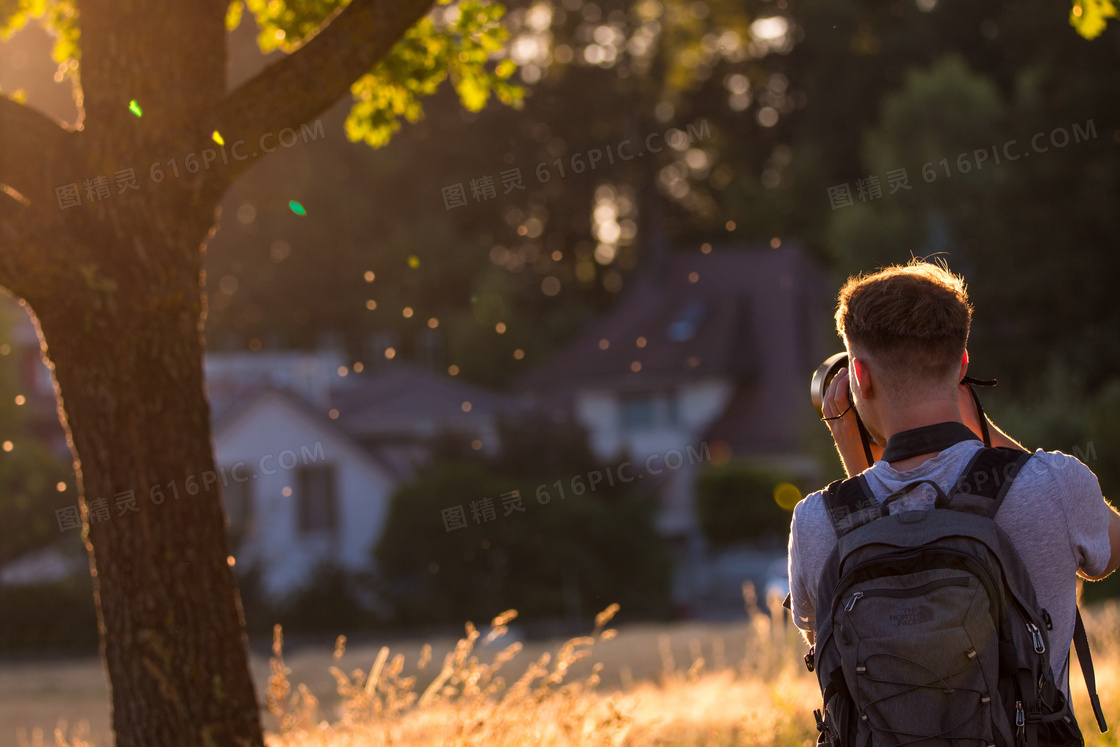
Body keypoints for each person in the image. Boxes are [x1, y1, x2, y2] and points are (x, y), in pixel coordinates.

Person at [786, 259, 1120, 701]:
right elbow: (1112, 549)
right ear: (962, 364)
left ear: (859, 378)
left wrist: (857, 473)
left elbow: (838, 657)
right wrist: (981, 429)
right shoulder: (1055, 485)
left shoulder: (816, 521)